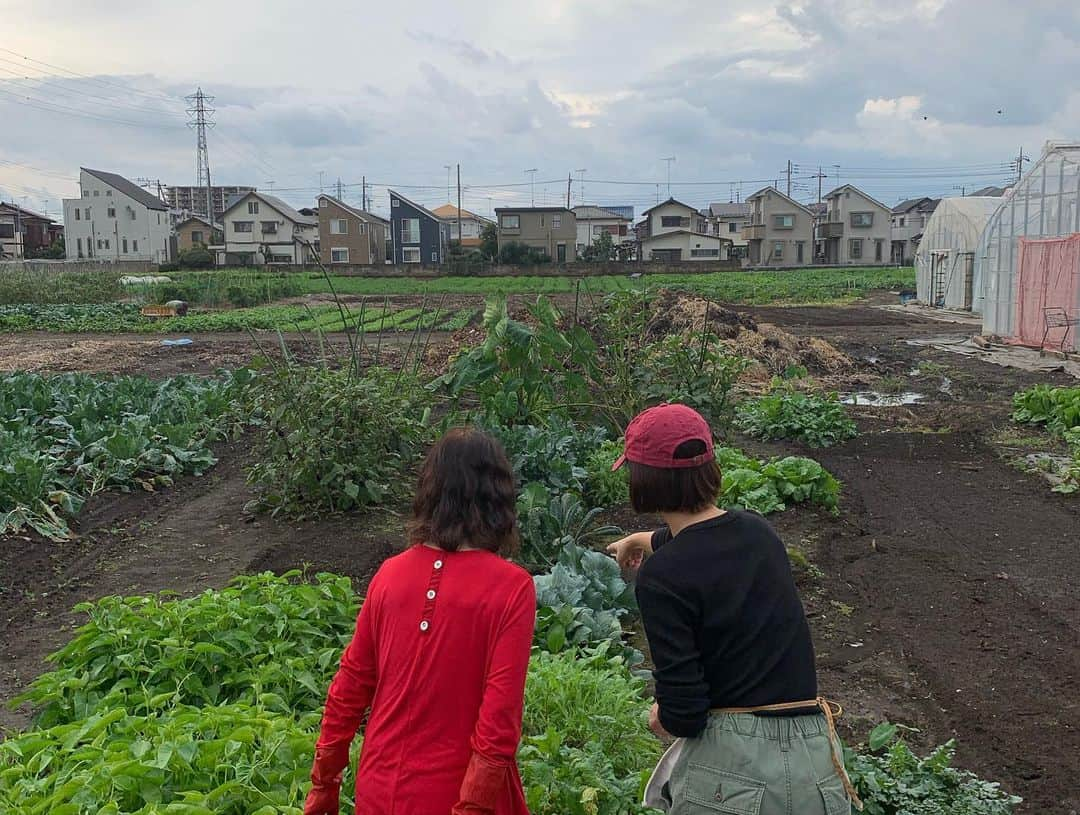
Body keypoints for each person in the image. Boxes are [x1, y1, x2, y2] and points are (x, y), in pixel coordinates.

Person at [606, 403, 859, 815]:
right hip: (815, 768)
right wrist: (645, 539)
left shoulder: (661, 579)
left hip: (736, 781)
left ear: (644, 482)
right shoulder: (760, 534)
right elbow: (709, 543)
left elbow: (684, 715)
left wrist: (662, 716)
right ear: (709, 467)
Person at [304, 428, 535, 815]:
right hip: (458, 795)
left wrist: (324, 784)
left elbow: (348, 690)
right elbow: (498, 723)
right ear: (500, 499)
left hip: (378, 788)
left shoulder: (390, 575)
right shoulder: (511, 589)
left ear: (430, 493)